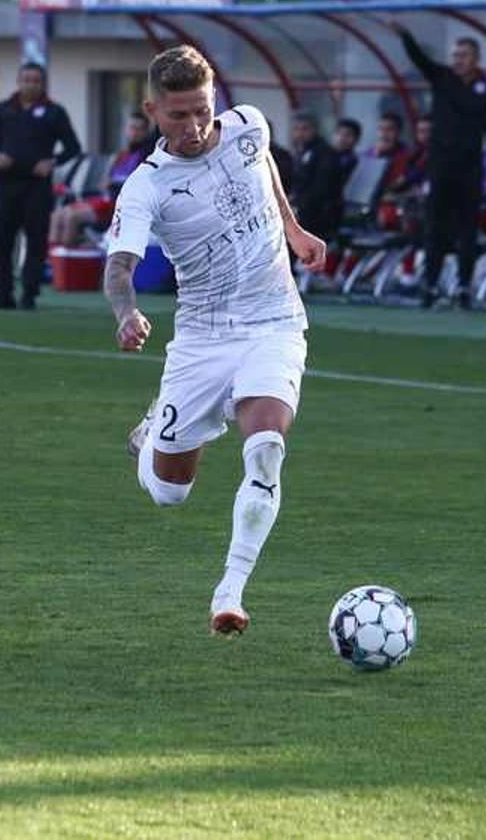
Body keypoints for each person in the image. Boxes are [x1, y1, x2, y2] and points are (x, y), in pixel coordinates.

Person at [104, 45, 327, 635]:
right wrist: (126, 314)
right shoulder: (145, 187)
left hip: (274, 321)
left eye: (202, 109)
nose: (195, 126)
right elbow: (119, 267)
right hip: (202, 339)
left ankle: (230, 591)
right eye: (178, 115)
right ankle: (153, 431)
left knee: (267, 447)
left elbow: (265, 168)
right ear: (152, 110)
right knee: (170, 495)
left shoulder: (249, 124)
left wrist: (294, 229)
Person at [397, 27, 486, 309]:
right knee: (435, 228)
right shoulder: (442, 78)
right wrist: (406, 36)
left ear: (476, 58)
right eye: (455, 55)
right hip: (441, 167)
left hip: (470, 168)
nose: (458, 60)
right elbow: (421, 60)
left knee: (468, 229)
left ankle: (464, 286)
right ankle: (430, 286)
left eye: (464, 55)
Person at [0, 62, 81, 310]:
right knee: (0, 239)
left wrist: (52, 162)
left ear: (42, 84)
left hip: (37, 186)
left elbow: (72, 147)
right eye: (26, 79)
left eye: (35, 80)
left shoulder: (54, 112)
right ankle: (4, 294)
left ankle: (29, 294)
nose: (30, 84)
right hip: (6, 183)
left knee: (36, 241)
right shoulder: (4, 110)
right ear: (18, 81)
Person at [48, 112, 150, 247]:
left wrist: (113, 183)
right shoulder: (122, 155)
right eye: (132, 127)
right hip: (103, 200)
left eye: (139, 129)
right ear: (126, 130)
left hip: (120, 206)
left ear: (146, 132)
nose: (135, 132)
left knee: (71, 217)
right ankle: (52, 263)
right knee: (57, 215)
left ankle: (68, 263)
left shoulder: (146, 155)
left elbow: (138, 182)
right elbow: (106, 181)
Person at [286, 111, 343, 243]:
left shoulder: (325, 153)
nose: (300, 133)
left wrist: (298, 206)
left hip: (320, 215)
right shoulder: (301, 152)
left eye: (305, 129)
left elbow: (322, 188)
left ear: (315, 130)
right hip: (303, 210)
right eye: (296, 129)